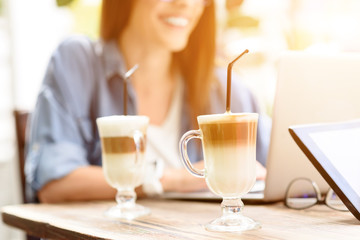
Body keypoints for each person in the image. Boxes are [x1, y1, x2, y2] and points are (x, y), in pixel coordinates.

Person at [25, 0, 270, 203]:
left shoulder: (224, 88)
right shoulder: (78, 62)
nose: (185, 3)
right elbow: (55, 183)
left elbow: (277, 175)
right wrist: (175, 179)